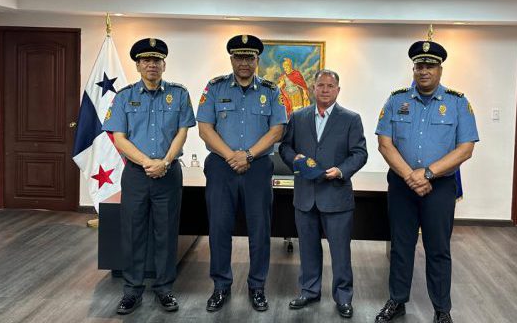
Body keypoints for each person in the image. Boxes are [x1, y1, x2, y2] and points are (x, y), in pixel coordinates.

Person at [373, 40, 479, 323]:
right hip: (402, 186)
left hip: (440, 188)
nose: (424, 71)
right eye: (419, 65)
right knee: (401, 246)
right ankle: (397, 301)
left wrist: (428, 173)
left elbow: (465, 149)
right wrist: (411, 176)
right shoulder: (396, 100)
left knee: (438, 249)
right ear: (413, 69)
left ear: (440, 70)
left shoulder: (457, 103)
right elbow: (384, 144)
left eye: (430, 66)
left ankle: (442, 309)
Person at [102, 37, 195, 315]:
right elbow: (119, 138)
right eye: (145, 60)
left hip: (169, 173)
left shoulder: (179, 94)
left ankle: (164, 289)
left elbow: (182, 132)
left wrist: (164, 162)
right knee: (133, 233)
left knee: (166, 232)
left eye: (156, 60)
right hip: (136, 174)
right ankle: (132, 290)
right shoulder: (124, 96)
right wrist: (147, 163)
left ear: (164, 64)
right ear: (138, 65)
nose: (151, 64)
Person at [196, 34, 288, 312]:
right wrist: (231, 156)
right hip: (221, 166)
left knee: (260, 230)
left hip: (257, 167)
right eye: (239, 56)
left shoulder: (271, 90)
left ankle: (257, 286)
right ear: (231, 59)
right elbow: (205, 129)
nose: (244, 62)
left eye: (250, 57)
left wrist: (247, 155)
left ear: (257, 60)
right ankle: (221, 286)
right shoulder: (214, 88)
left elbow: (277, 130)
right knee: (219, 228)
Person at [279, 69, 368, 319]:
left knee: (340, 252)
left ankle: (343, 297)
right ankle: (309, 291)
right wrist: (294, 159)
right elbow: (285, 147)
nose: (325, 90)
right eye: (321, 85)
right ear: (312, 89)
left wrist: (341, 171)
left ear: (338, 90)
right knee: (307, 249)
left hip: (336, 196)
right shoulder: (298, 117)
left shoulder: (351, 119)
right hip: (305, 197)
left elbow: (360, 153)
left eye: (330, 86)